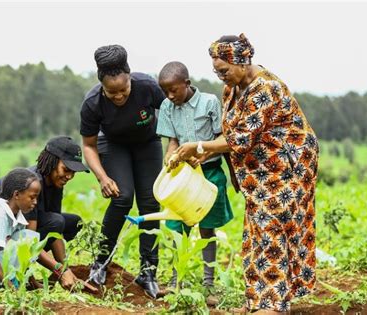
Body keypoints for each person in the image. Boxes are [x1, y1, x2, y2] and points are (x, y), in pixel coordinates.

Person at [173, 34, 319, 314]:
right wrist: (204, 156)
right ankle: (257, 300)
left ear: (242, 61)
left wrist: (197, 146)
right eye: (216, 72)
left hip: (287, 164)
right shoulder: (232, 89)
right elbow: (229, 134)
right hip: (259, 168)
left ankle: (274, 304)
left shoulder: (266, 88)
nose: (221, 77)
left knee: (272, 227)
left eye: (224, 71)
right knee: (255, 228)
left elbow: (240, 139)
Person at [80, 44, 166, 298]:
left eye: (123, 90)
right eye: (111, 93)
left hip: (148, 143)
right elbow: (88, 145)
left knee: (151, 203)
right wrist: (103, 177)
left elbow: (174, 111)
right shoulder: (92, 103)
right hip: (113, 145)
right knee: (122, 197)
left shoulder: (148, 86)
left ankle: (148, 271)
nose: (118, 97)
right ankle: (100, 263)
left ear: (130, 77)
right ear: (102, 87)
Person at [0, 136, 95, 290]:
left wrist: (65, 271)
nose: (69, 176)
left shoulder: (55, 184)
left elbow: (55, 232)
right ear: (51, 161)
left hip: (12, 230)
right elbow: (28, 242)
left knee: (71, 222)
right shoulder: (30, 187)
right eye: (66, 169)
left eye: (74, 172)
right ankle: (23, 276)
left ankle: (44, 274)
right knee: (54, 222)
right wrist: (59, 270)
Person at [156, 61, 234, 305]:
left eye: (174, 90)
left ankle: (208, 284)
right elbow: (172, 141)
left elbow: (224, 138)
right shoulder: (167, 106)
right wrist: (170, 155)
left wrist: (203, 154)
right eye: (165, 91)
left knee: (207, 228)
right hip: (183, 177)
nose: (170, 95)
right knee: (178, 225)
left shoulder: (209, 102)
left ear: (187, 84)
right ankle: (175, 279)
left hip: (209, 173)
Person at [0, 168, 80, 290]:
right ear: (17, 195)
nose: (35, 202)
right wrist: (12, 290)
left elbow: (27, 250)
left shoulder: (17, 217)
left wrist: (55, 271)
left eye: (37, 198)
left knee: (26, 238)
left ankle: (10, 283)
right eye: (32, 197)